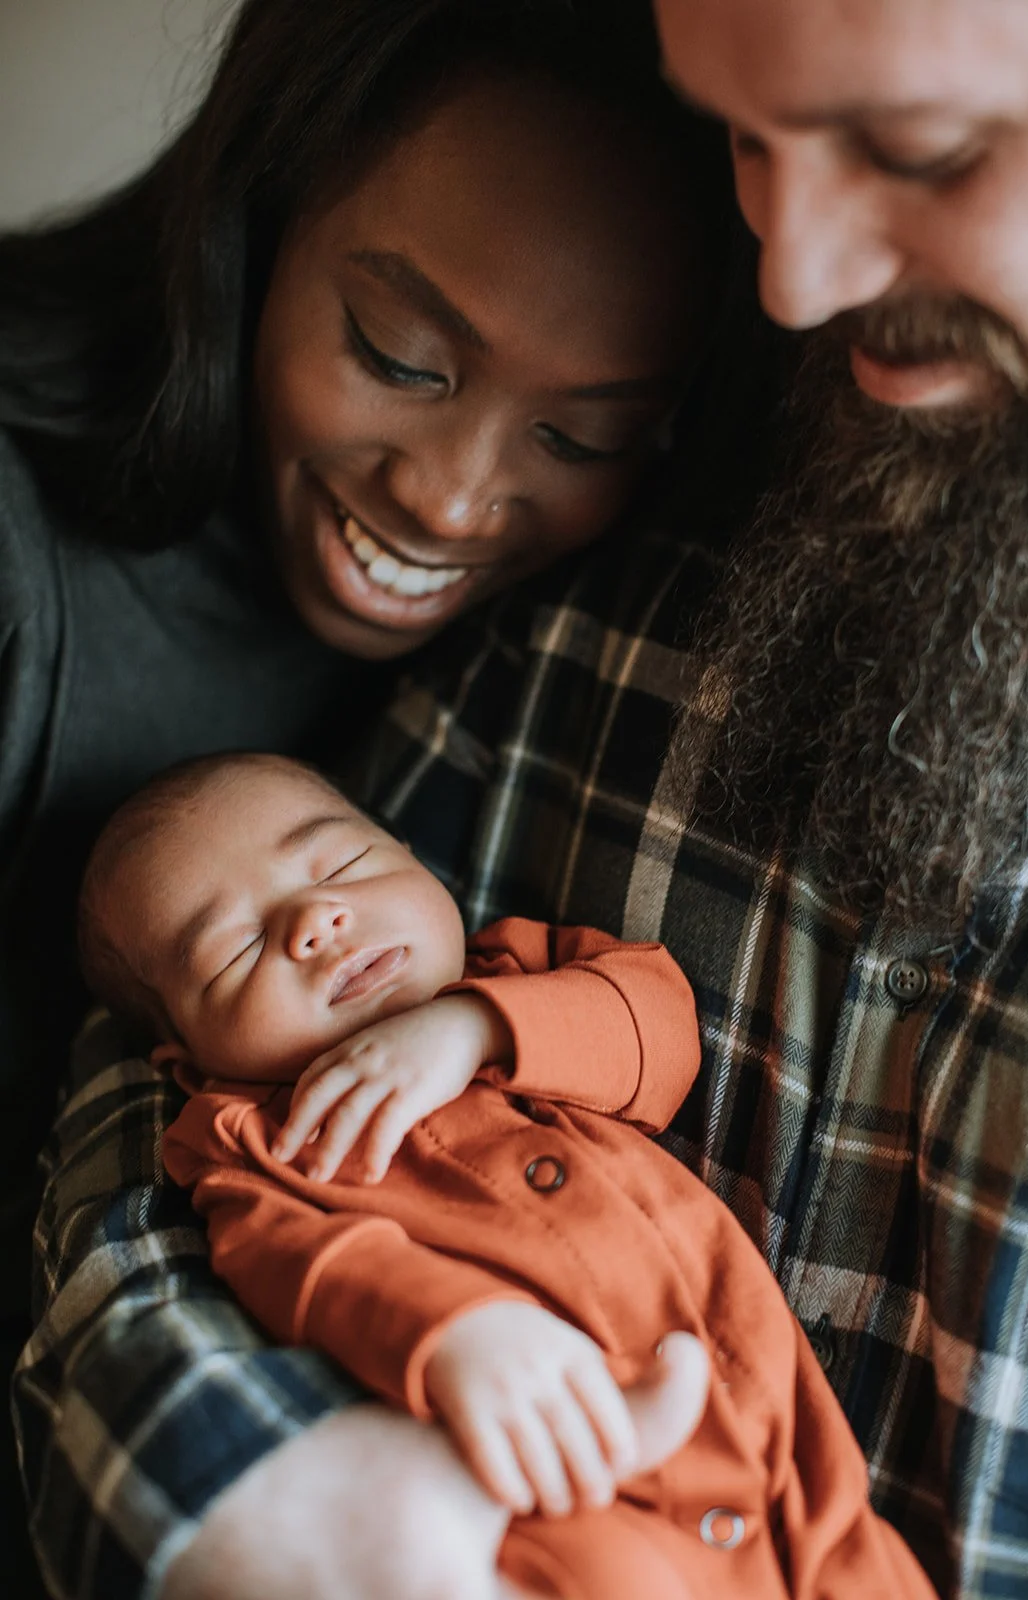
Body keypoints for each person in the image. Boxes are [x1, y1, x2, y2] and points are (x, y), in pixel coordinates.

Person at [18, 2, 1028, 1599]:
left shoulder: (487, 910)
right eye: (743, 145)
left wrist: (482, 1030)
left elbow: (635, 1016)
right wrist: (305, 1482)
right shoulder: (577, 637)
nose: (787, 281)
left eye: (913, 150)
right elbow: (178, 1163)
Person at [0, 0, 732, 1592]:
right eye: (399, 358)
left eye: (578, 432)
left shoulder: (600, 617)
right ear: (256, 212)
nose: (453, 498)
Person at [77, 749, 937, 1600]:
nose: (314, 921)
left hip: (780, 1439)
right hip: (571, 1475)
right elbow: (310, 1265)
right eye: (232, 950)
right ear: (187, 1065)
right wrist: (458, 1332)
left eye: (342, 862)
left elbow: (661, 1029)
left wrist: (475, 1030)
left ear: (412, 858)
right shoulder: (255, 1138)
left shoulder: (519, 974)